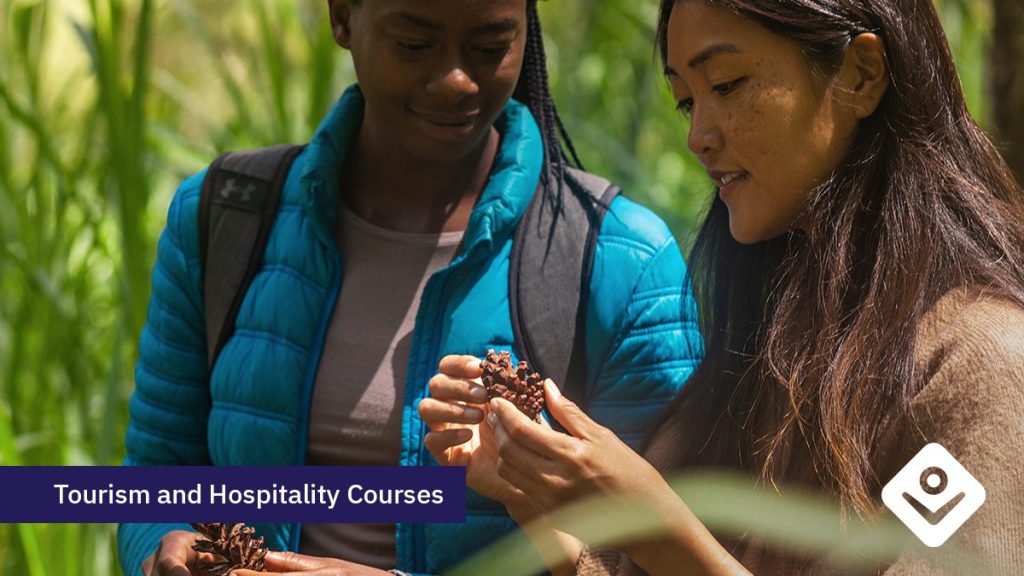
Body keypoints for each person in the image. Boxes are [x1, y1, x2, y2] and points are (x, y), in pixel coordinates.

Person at [426, 0, 1024, 574]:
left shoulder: (984, 366)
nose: (698, 136)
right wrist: (526, 491)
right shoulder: (772, 339)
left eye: (729, 84)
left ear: (860, 74)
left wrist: (664, 534)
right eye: (687, 101)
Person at [117, 0, 703, 575]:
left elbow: (666, 557)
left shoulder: (623, 262)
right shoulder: (223, 219)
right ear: (343, 16)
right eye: (414, 45)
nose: (455, 82)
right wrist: (163, 542)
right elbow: (156, 474)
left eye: (490, 47)